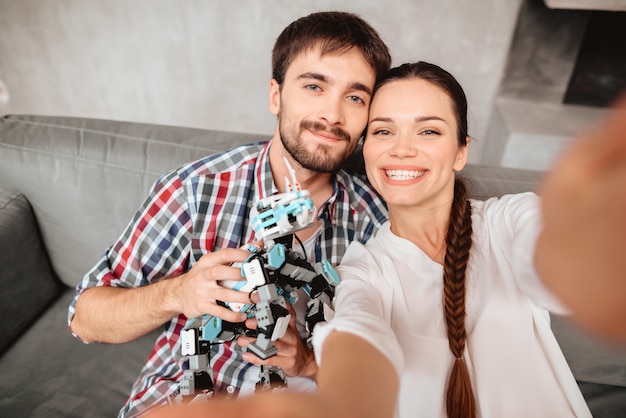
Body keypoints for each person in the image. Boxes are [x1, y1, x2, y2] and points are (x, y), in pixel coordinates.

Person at [145, 61, 626, 418]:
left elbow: (550, 250)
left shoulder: (507, 221)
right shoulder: (361, 269)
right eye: (383, 130)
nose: (402, 148)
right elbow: (359, 347)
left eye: (429, 130)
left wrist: (590, 244)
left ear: (461, 151)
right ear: (365, 148)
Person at [67, 11, 391, 417]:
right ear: (276, 95)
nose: (333, 114)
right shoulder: (196, 189)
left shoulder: (377, 221)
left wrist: (307, 361)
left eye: (356, 97)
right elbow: (85, 318)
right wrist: (180, 292)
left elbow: (392, 369)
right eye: (313, 86)